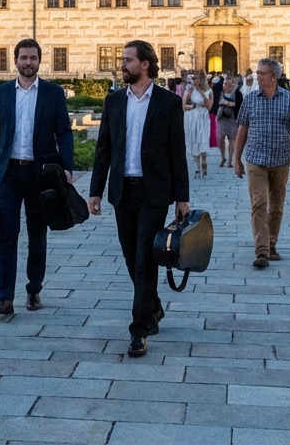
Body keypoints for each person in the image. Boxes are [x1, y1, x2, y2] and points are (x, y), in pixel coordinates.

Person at [89, 40, 189, 358]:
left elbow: (177, 151)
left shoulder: (167, 102)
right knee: (133, 258)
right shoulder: (114, 101)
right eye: (122, 59)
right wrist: (95, 190)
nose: (122, 64)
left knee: (145, 257)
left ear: (145, 64)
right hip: (122, 190)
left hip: (153, 192)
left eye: (128, 60)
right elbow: (103, 148)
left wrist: (181, 198)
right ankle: (154, 306)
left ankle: (139, 331)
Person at [0, 39, 75, 314]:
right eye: (23, 57)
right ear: (15, 61)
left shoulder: (52, 92)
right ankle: (5, 297)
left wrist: (66, 167)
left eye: (33, 58)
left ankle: (34, 289)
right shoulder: (2, 92)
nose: (28, 62)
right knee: (7, 234)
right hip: (9, 172)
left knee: (37, 234)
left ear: (39, 61)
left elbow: (64, 132)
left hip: (39, 174)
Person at [232, 58, 290, 269]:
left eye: (262, 73)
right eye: (257, 72)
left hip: (280, 161)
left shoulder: (289, 100)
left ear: (274, 77)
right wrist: (236, 159)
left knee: (276, 207)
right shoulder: (250, 99)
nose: (258, 76)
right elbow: (242, 130)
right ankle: (262, 251)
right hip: (255, 160)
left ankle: (271, 244)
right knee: (258, 205)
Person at [181, 73, 212, 177]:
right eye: (193, 79)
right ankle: (197, 166)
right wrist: (194, 106)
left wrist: (200, 92)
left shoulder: (209, 91)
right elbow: (184, 106)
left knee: (202, 139)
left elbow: (209, 106)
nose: (195, 81)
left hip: (203, 118)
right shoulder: (189, 90)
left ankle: (204, 161)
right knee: (193, 140)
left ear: (202, 79)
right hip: (192, 117)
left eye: (197, 79)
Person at [216, 76, 244, 168]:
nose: (227, 86)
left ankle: (230, 160)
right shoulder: (220, 92)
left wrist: (225, 102)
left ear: (233, 84)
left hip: (232, 119)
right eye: (225, 84)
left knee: (232, 139)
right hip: (221, 119)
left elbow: (238, 105)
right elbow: (215, 102)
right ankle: (222, 157)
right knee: (220, 139)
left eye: (229, 84)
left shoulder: (237, 93)